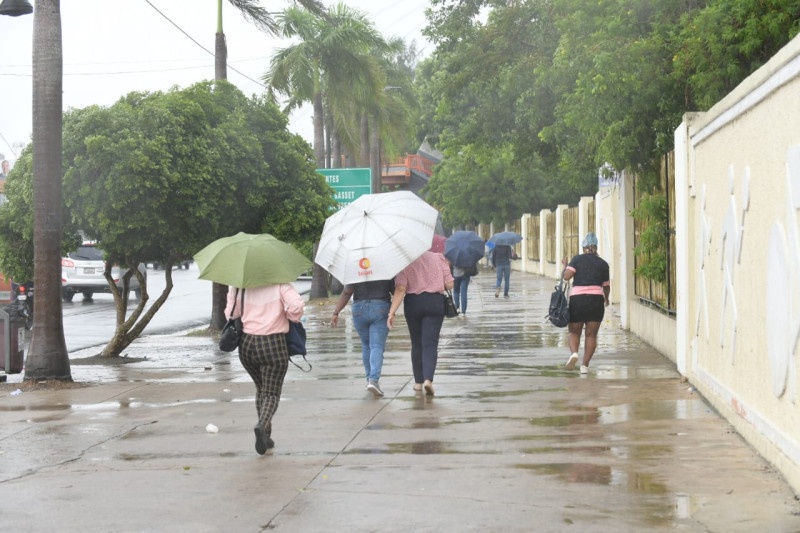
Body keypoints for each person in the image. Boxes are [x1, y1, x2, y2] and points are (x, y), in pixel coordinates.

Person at [225, 282, 304, 455]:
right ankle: (262, 425)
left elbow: (231, 313)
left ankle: (266, 437)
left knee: (261, 389)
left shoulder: (241, 285)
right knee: (271, 393)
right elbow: (296, 307)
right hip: (273, 343)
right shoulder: (281, 283)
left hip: (247, 345)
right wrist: (288, 315)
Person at [388, 250, 454, 396]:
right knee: (430, 344)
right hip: (435, 302)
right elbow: (450, 284)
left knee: (416, 343)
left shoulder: (406, 262)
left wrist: (392, 312)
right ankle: (428, 380)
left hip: (413, 303)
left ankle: (418, 383)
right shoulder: (438, 258)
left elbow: (401, 288)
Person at [331, 279, 395, 397]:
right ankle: (373, 380)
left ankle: (369, 379)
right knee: (376, 346)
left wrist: (336, 312)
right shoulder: (385, 270)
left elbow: (347, 291)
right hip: (380, 306)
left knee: (366, 346)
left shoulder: (356, 269)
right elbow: (395, 290)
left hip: (359, 308)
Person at [563, 232, 610, 374]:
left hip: (578, 300)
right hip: (596, 301)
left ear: (584, 247)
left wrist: (565, 266)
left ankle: (574, 353)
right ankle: (585, 366)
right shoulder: (603, 264)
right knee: (591, 335)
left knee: (574, 332)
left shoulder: (577, 260)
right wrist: (606, 299)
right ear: (596, 247)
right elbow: (606, 286)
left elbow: (566, 277)